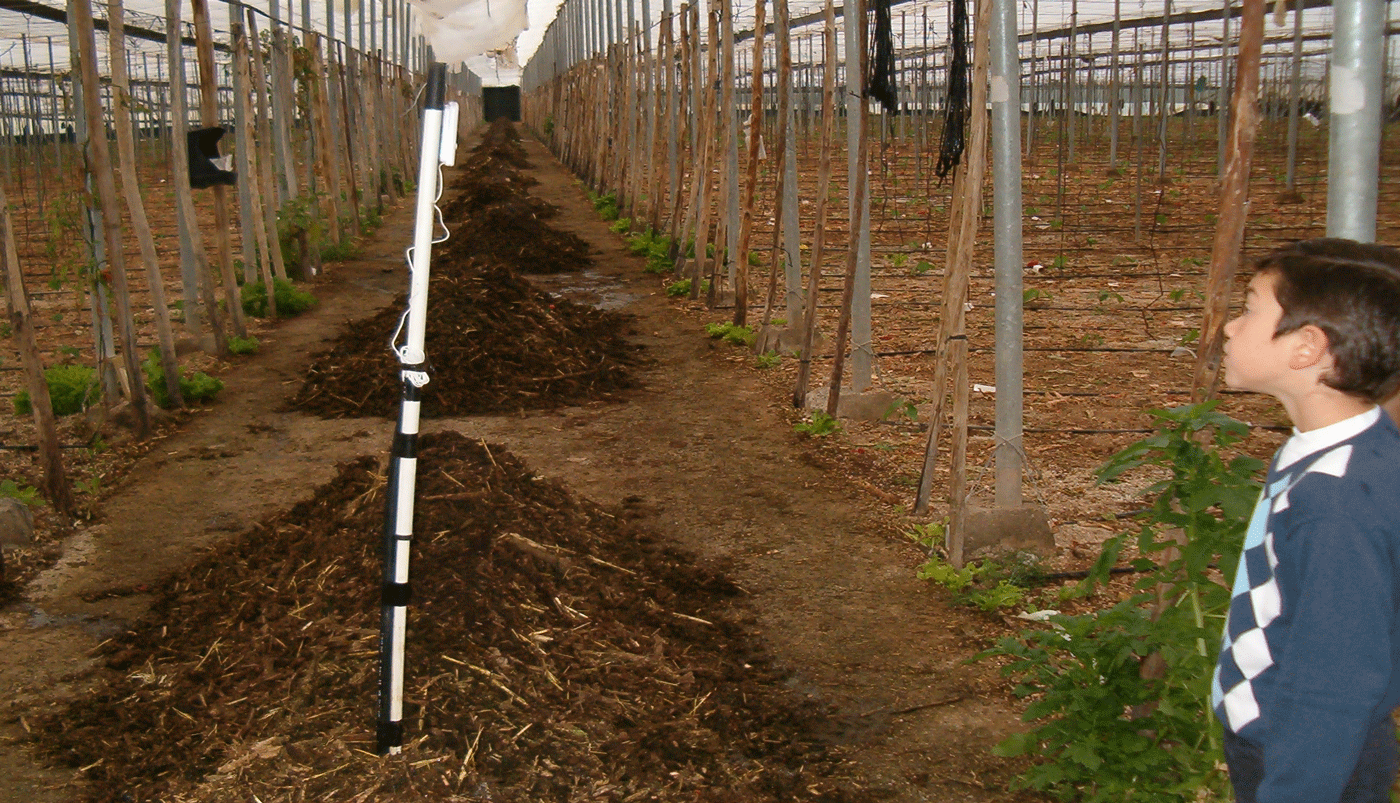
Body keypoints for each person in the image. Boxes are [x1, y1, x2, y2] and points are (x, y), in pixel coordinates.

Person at [1211, 237, 1400, 803]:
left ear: (1306, 350)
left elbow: (1334, 682)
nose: (1229, 328)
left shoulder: (1334, 501)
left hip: (1307, 760)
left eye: (1249, 309)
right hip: (1300, 743)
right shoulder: (1350, 448)